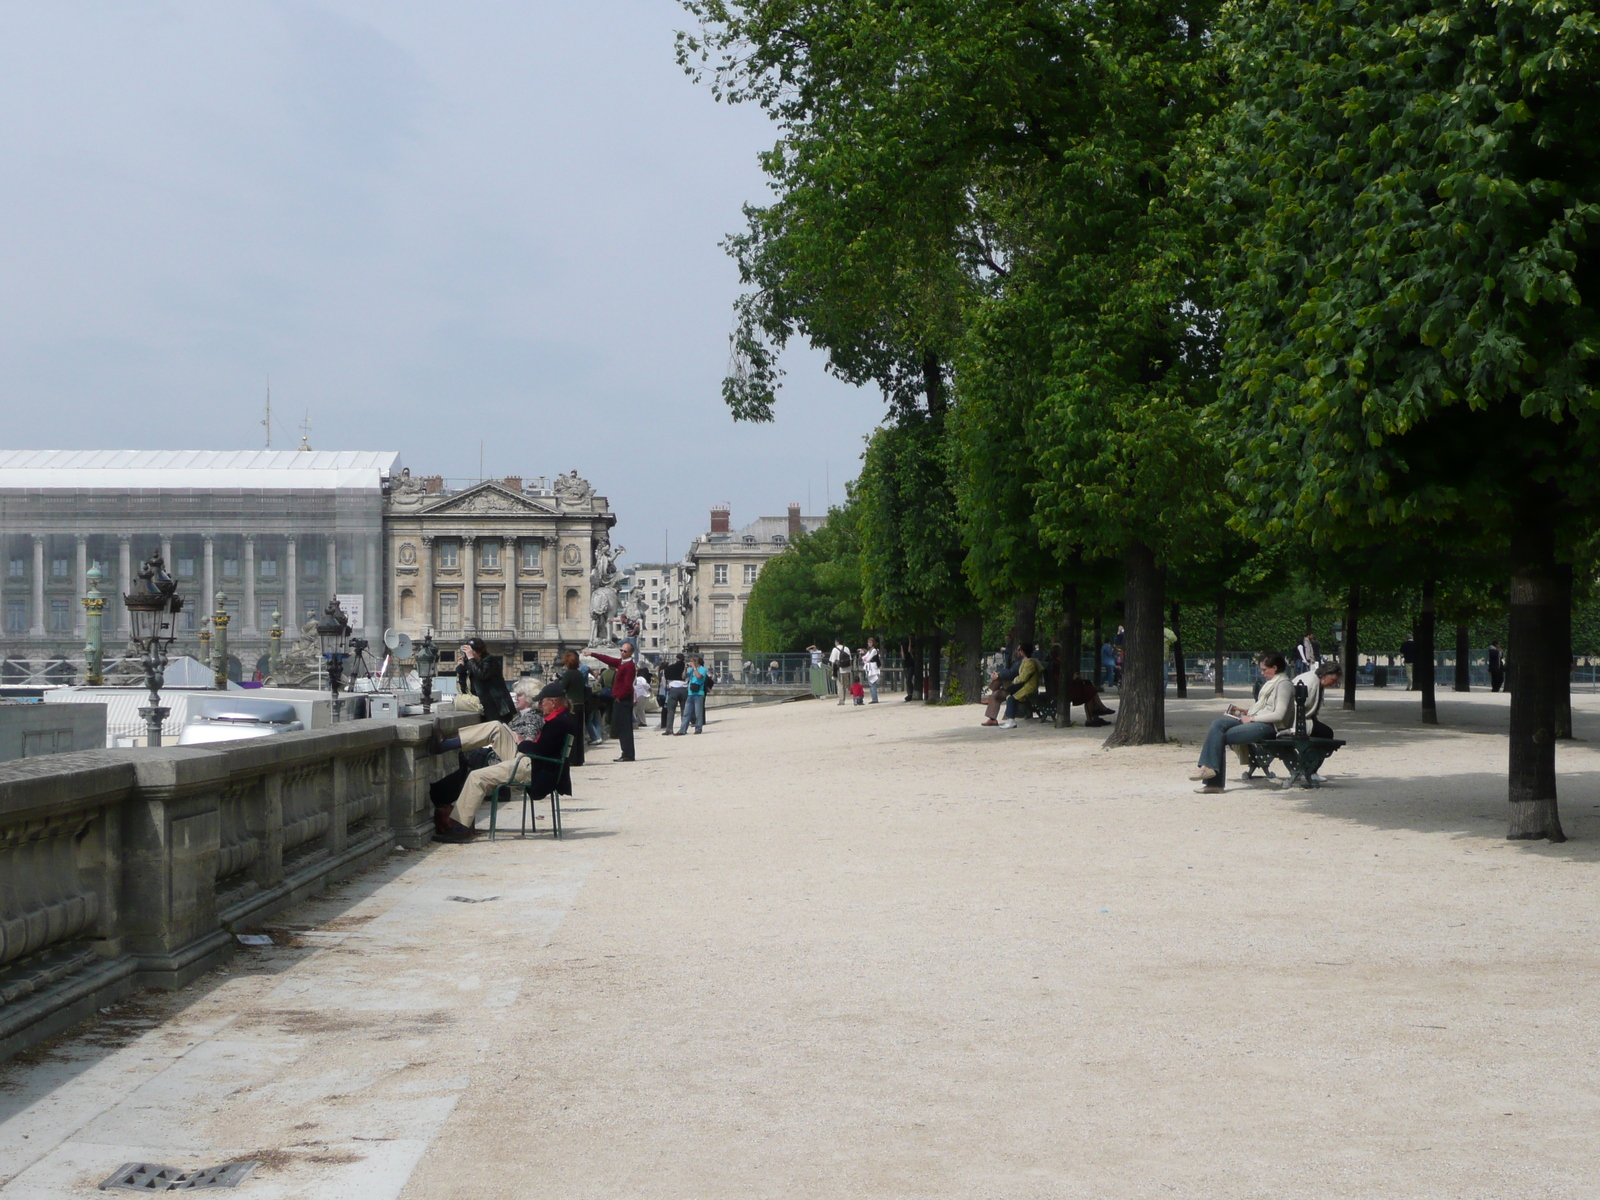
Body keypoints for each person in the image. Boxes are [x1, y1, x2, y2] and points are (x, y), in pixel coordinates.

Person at [431, 681, 575, 841]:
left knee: (476, 777)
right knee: (496, 727)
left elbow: (538, 751)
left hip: (534, 769)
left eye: (542, 702)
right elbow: (543, 749)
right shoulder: (561, 718)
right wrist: (524, 743)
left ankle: (460, 828)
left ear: (553, 702)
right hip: (534, 763)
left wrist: (522, 742)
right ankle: (445, 745)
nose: (540, 706)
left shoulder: (557, 724)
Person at [1190, 652, 1294, 794]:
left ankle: (1213, 780)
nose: (1262, 673)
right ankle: (1209, 770)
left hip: (1270, 727)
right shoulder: (1272, 683)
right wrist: (1248, 713)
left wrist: (1252, 718)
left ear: (1275, 668)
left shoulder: (1284, 685)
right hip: (1257, 720)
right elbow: (1265, 707)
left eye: (1264, 669)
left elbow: (1279, 715)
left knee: (1218, 737)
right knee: (1218, 724)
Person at [587, 643, 638, 762]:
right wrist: (593, 654)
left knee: (625, 727)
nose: (622, 652)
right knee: (621, 726)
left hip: (623, 699)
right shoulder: (622, 662)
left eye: (625, 651)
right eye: (621, 650)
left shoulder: (629, 665)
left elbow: (627, 684)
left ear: (631, 652)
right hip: (620, 698)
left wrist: (619, 696)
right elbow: (608, 659)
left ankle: (628, 754)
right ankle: (626, 753)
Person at [455, 638, 514, 723]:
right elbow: (463, 688)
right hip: (482, 707)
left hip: (498, 708)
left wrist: (471, 658)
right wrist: (461, 668)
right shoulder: (471, 663)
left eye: (470, 651)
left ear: (479, 651)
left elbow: (482, 675)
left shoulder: (490, 661)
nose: (468, 654)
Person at [554, 650, 587, 767]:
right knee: (579, 732)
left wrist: (557, 680)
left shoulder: (568, 674)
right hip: (580, 704)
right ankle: (579, 758)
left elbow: (562, 688)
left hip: (571, 705)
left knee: (571, 733)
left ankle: (572, 758)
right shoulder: (579, 673)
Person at [677, 655, 708, 734]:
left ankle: (698, 728)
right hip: (690, 693)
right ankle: (683, 730)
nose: (690, 663)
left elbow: (699, 676)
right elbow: (683, 677)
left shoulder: (702, 669)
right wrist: (685, 669)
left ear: (696, 661)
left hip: (699, 694)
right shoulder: (691, 670)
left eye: (691, 661)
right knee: (686, 713)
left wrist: (694, 668)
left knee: (698, 713)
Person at [660, 653, 688, 733]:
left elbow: (664, 679)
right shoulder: (686, 668)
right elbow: (688, 678)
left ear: (676, 659)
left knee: (671, 710)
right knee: (684, 710)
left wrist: (667, 688)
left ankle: (669, 729)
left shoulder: (669, 668)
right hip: (684, 689)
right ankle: (683, 729)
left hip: (673, 689)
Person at [829, 640, 853, 705]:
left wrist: (833, 670)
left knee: (840, 685)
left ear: (837, 642)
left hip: (839, 670)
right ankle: (853, 696)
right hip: (847, 669)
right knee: (846, 684)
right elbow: (850, 660)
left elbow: (833, 662)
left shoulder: (835, 649)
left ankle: (841, 700)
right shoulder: (846, 648)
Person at [860, 637, 882, 703]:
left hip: (873, 667)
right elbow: (865, 657)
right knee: (871, 683)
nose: (869, 643)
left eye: (870, 642)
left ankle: (874, 698)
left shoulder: (874, 650)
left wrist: (865, 658)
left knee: (872, 683)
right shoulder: (870, 650)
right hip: (870, 667)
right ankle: (874, 698)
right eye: (868, 642)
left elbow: (867, 658)